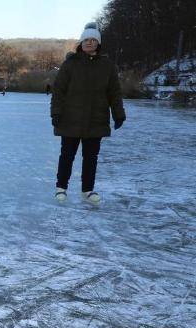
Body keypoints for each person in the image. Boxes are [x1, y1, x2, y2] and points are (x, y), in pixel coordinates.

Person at [51, 22, 125, 205]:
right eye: (86, 40)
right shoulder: (70, 64)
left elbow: (114, 92)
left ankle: (87, 190)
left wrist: (118, 114)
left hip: (96, 119)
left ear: (98, 43)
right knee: (67, 155)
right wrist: (56, 112)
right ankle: (61, 188)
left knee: (91, 157)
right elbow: (58, 91)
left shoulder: (107, 66)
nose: (89, 43)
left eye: (93, 40)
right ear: (81, 42)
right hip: (70, 118)